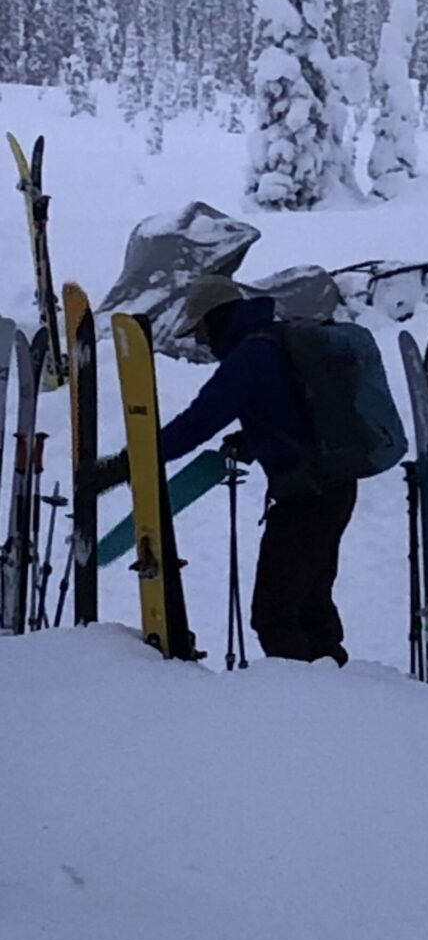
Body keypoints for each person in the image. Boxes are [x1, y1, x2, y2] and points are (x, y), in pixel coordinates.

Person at [98, 275, 356, 668]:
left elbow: (197, 423)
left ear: (217, 318)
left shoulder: (249, 357)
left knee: (274, 613)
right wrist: (253, 438)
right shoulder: (277, 339)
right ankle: (336, 690)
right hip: (335, 486)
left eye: (199, 328)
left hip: (307, 496)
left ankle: (303, 705)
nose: (200, 341)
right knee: (310, 603)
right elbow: (293, 409)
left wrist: (127, 463)